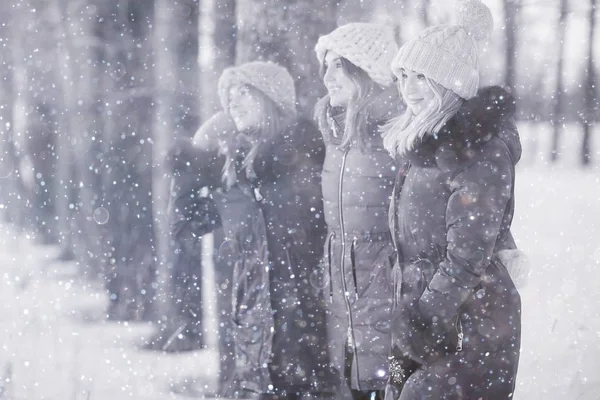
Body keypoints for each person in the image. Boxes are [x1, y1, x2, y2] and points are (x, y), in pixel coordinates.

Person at [382, 1, 522, 398]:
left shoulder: (479, 151)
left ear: (451, 83)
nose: (408, 90)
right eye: (403, 76)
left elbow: (466, 258)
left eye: (422, 78)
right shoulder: (421, 146)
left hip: (469, 326)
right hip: (424, 319)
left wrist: (421, 325)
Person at [217, 60, 336, 399]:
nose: (232, 103)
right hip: (255, 342)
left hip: (299, 344)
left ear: (271, 99)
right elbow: (186, 224)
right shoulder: (241, 174)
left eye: (243, 92)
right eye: (228, 97)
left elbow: (306, 264)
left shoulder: (301, 168)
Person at [313, 23, 403, 400]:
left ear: (366, 70)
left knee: (392, 385)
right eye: (326, 66)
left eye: (339, 66)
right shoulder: (334, 133)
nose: (328, 77)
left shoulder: (396, 133)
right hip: (345, 300)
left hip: (389, 301)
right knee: (354, 386)